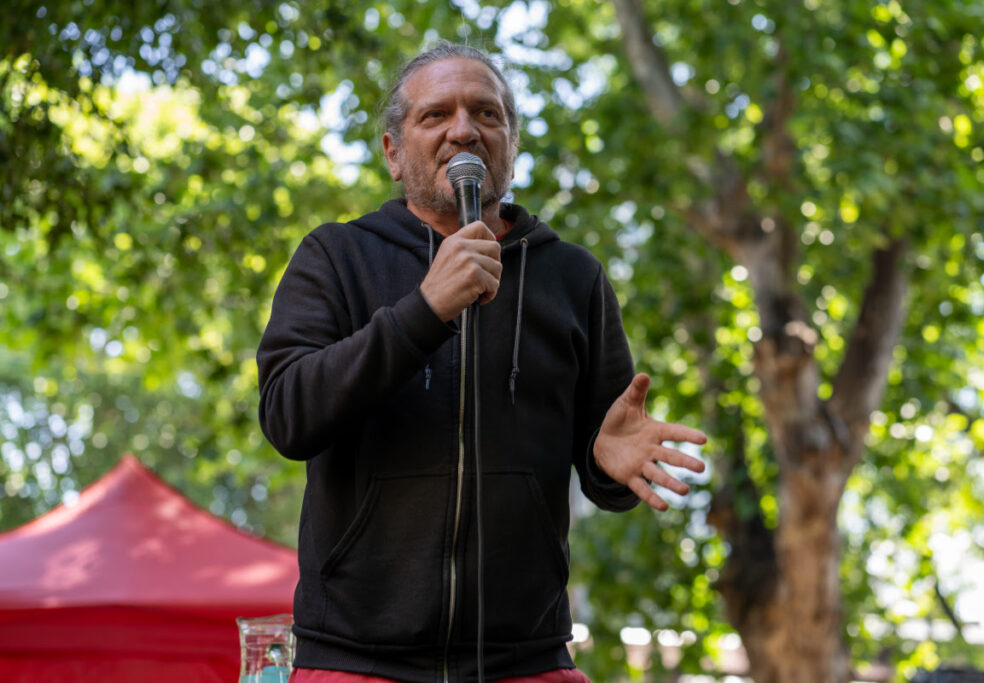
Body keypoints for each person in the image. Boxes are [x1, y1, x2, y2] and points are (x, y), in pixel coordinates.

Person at [257, 41, 707, 683]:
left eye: (487, 114)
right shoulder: (335, 258)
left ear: (511, 145)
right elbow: (288, 416)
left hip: (527, 661)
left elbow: (606, 469)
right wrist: (423, 312)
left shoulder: (573, 277)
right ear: (393, 152)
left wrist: (607, 466)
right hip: (357, 661)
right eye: (436, 115)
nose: (464, 129)